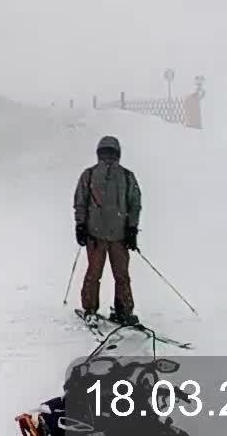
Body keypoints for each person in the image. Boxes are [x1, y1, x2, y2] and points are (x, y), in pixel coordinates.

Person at [73, 134, 142, 325]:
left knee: (120, 276)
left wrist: (131, 229)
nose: (108, 157)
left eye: (111, 153)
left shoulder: (127, 177)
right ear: (99, 154)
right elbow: (80, 202)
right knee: (96, 274)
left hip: (117, 237)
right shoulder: (89, 175)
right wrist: (80, 225)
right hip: (97, 236)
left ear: (118, 154)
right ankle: (91, 309)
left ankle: (123, 311)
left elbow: (134, 204)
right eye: (105, 153)